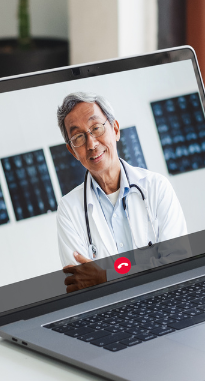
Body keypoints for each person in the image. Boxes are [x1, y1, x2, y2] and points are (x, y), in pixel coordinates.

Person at [55, 92, 187, 291]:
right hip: (111, 316)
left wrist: (106, 276)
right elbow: (81, 287)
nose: (91, 144)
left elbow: (178, 265)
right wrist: (148, 269)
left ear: (115, 129)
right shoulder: (69, 209)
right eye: (78, 138)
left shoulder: (157, 187)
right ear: (72, 151)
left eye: (96, 128)